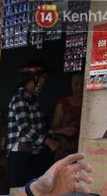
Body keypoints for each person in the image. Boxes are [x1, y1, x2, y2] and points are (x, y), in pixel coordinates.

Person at [6, 59, 77, 187]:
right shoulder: (20, 97)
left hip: (34, 153)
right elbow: (25, 128)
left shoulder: (33, 100)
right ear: (33, 77)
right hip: (21, 154)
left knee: (33, 191)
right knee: (18, 192)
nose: (44, 82)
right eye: (43, 78)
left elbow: (39, 130)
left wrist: (59, 131)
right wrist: (49, 141)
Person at [51, 72, 84, 162]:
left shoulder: (91, 101)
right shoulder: (63, 103)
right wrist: (61, 139)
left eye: (82, 83)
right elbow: (54, 128)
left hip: (84, 149)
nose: (80, 87)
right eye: (76, 84)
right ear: (70, 85)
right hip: (66, 149)